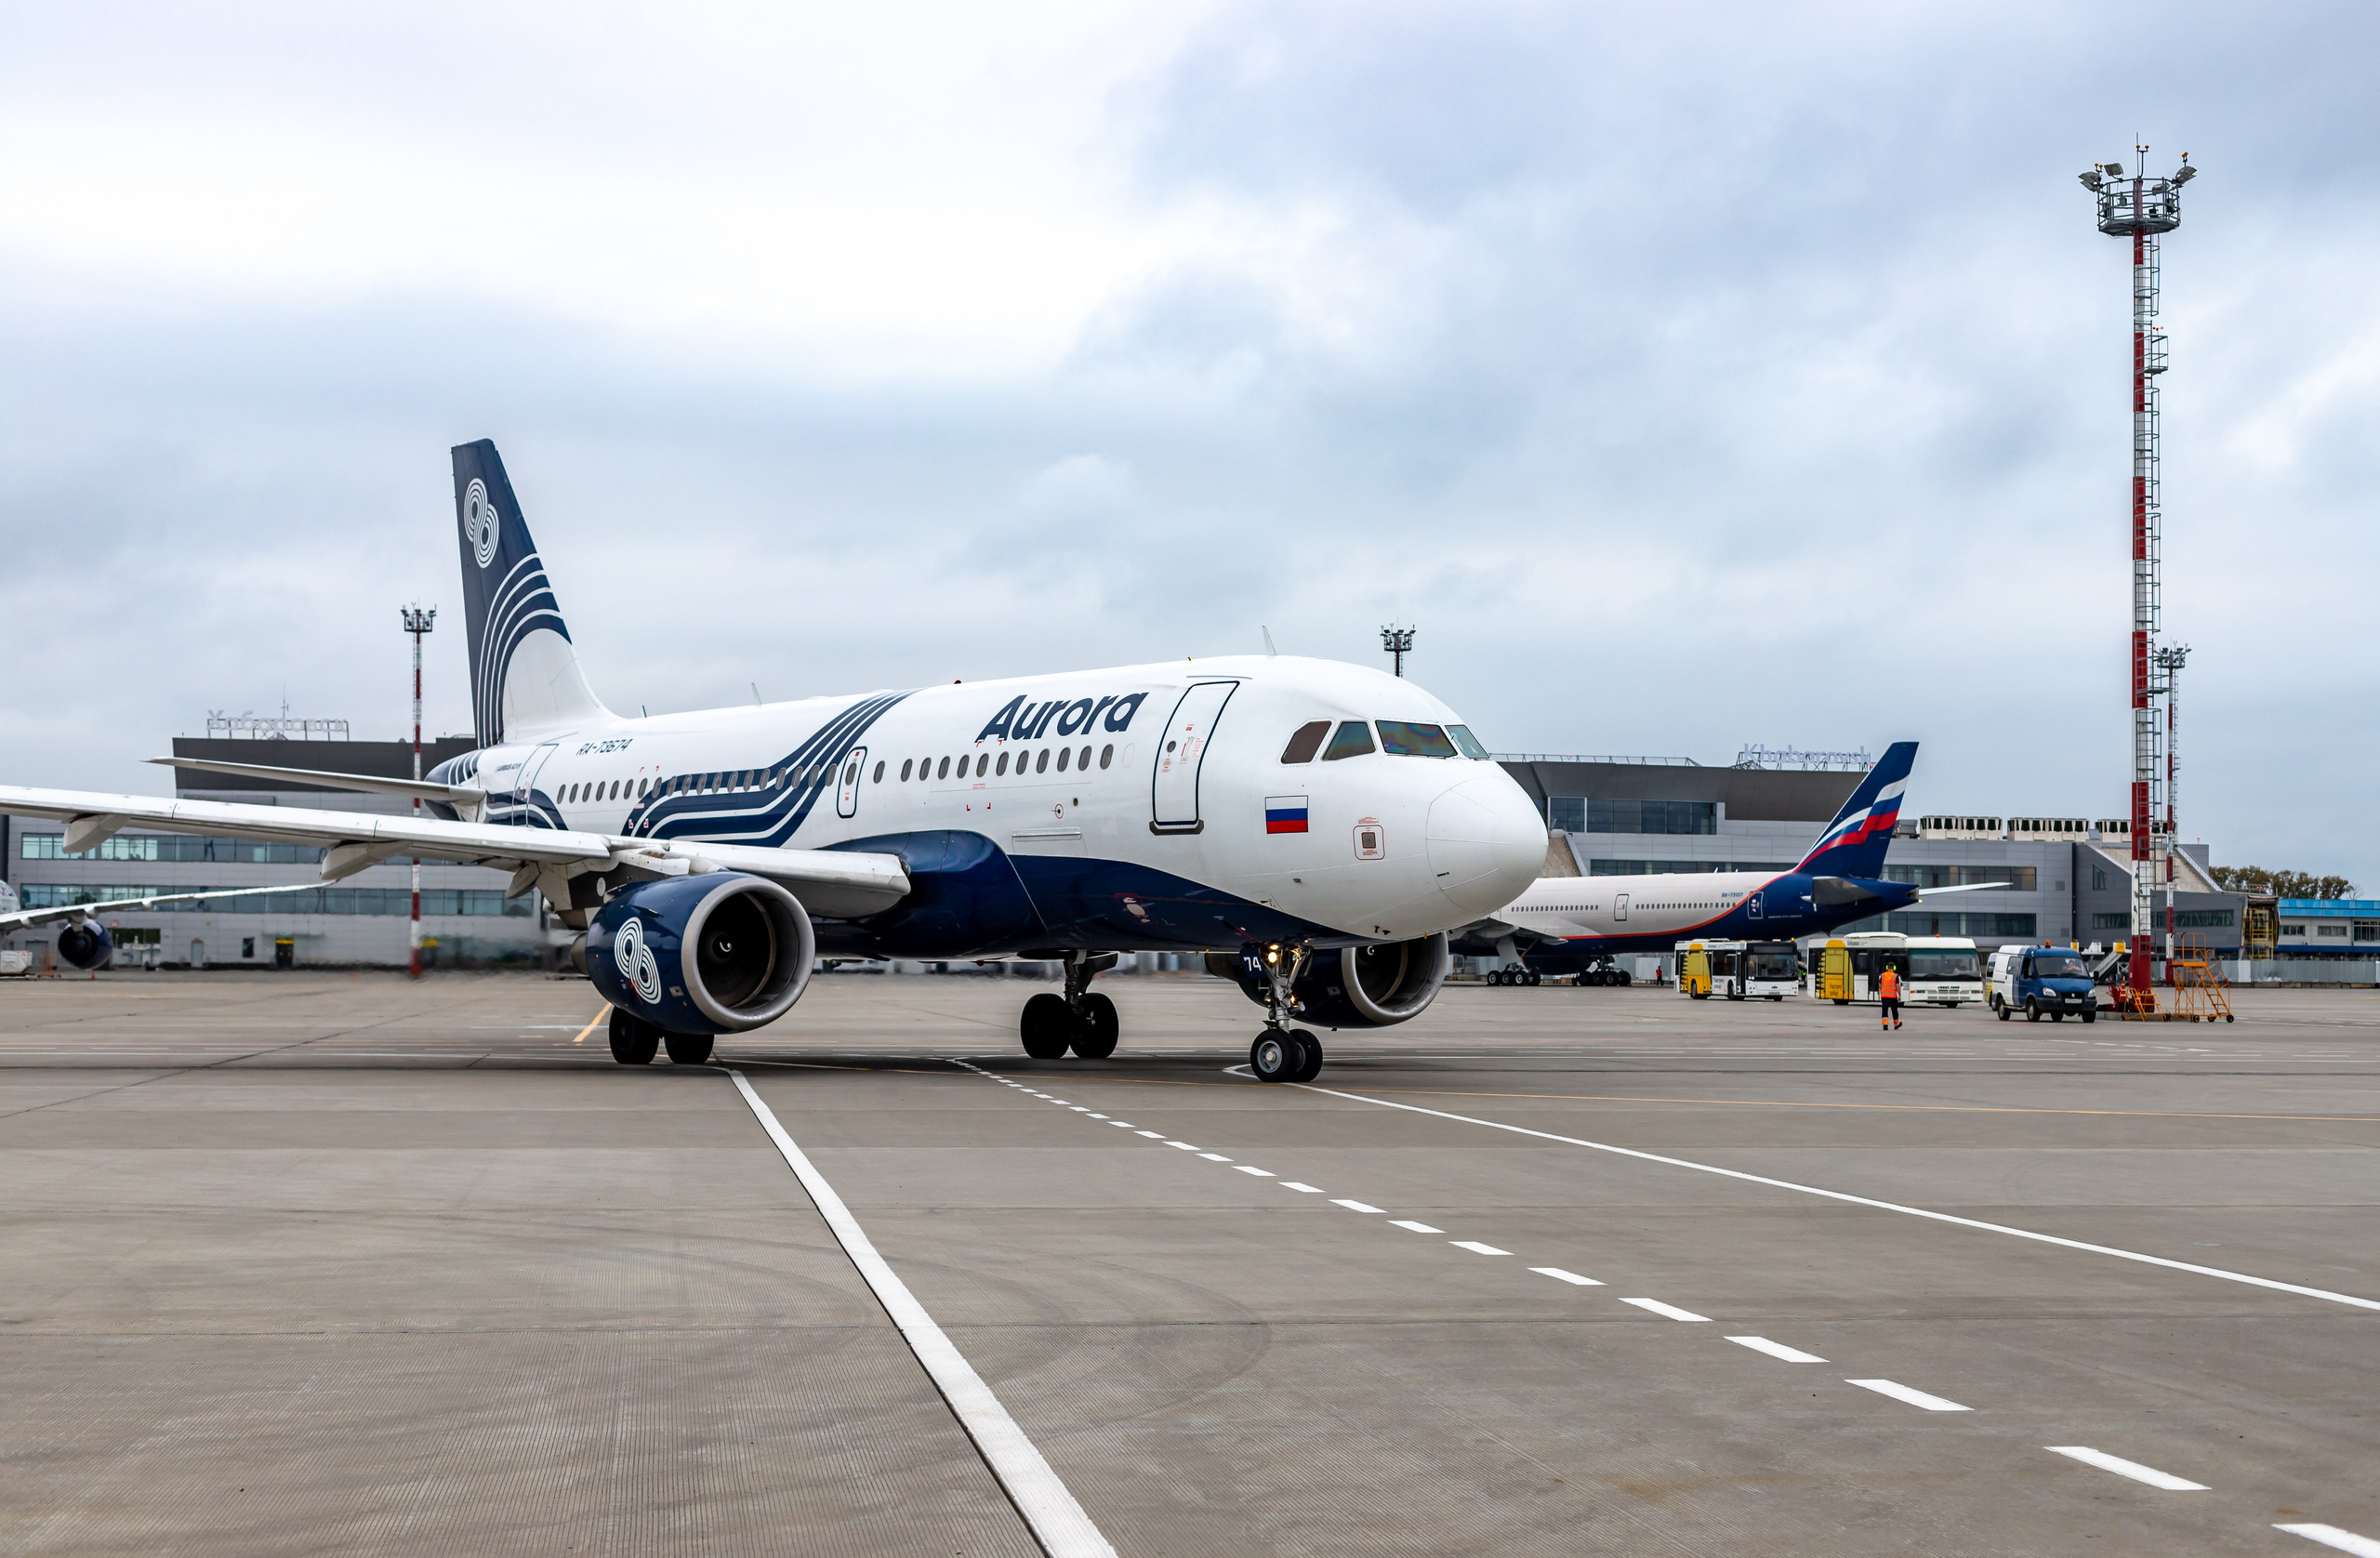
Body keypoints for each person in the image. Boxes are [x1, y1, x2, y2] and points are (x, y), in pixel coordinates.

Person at [1878, 960, 1903, 1030]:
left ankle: (1885, 1025)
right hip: (1893, 997)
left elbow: (1880, 985)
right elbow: (1897, 986)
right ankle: (1896, 1024)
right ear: (1894, 968)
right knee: (1894, 1011)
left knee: (1884, 1010)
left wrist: (1882, 991)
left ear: (1887, 967)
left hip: (1884, 996)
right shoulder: (1895, 976)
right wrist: (1899, 994)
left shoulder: (1882, 975)